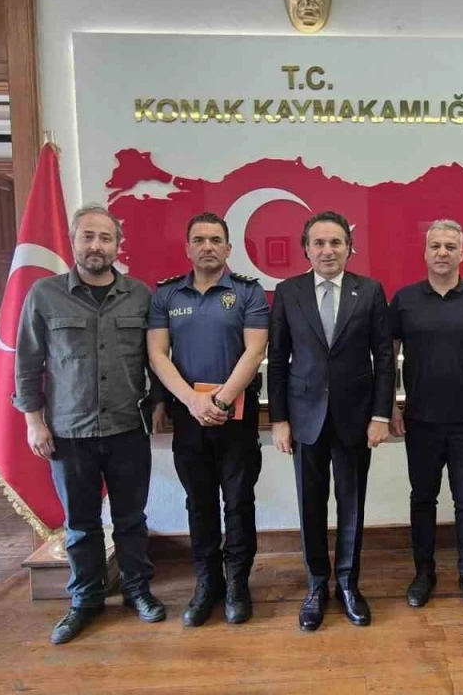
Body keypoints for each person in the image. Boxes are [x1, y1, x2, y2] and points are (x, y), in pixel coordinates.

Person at [14, 204, 166, 645]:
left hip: (127, 427)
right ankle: (85, 600)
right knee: (80, 524)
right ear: (73, 241)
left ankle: (137, 590)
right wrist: (33, 422)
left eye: (105, 237)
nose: (96, 245)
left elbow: (157, 358)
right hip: (68, 431)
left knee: (131, 519)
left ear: (118, 245)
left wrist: (159, 403)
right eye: (88, 236)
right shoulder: (44, 295)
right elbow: (27, 363)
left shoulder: (140, 296)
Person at [267, 211, 395, 631]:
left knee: (352, 505)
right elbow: (278, 361)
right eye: (319, 243)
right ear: (306, 249)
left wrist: (380, 415)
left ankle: (348, 585)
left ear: (349, 248)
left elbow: (384, 360)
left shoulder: (370, 291)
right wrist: (279, 420)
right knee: (311, 505)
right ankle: (316, 585)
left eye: (336, 242)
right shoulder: (288, 292)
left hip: (356, 418)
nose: (327, 250)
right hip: (304, 418)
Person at [149, 212, 269, 627]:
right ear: (187, 248)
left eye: (216, 240)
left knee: (238, 502)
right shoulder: (166, 295)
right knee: (199, 504)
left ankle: (237, 583)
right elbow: (157, 354)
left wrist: (219, 400)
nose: (208, 246)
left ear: (229, 248)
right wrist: (192, 401)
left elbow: (255, 351)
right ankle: (207, 582)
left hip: (236, 415)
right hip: (189, 417)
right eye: (199, 240)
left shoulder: (248, 292)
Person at [388, 220, 463, 613]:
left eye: (450, 246)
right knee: (423, 498)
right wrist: (390, 405)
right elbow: (387, 356)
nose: (442, 252)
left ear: (462, 254)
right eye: (435, 245)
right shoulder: (404, 300)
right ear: (425, 253)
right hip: (420, 420)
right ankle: (424, 573)